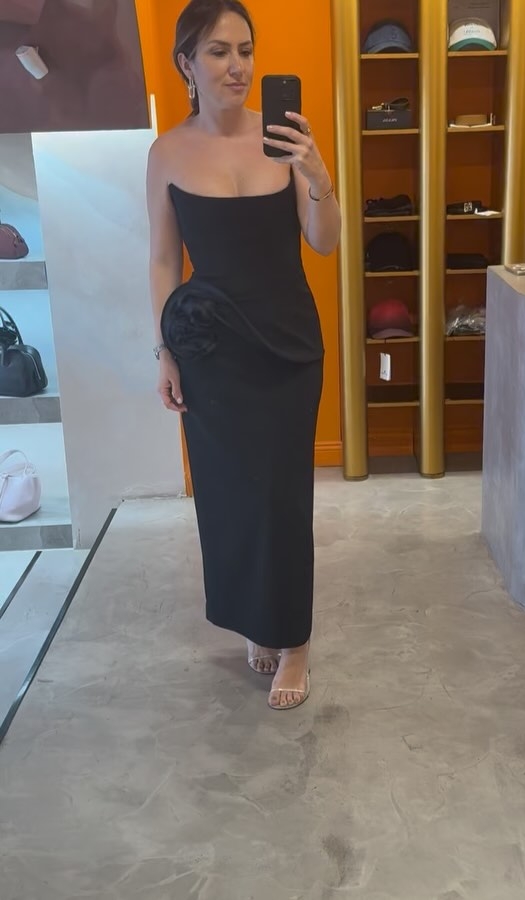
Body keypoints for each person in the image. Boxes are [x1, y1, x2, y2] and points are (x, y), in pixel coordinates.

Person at [145, 0, 341, 710]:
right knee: (232, 495)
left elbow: (325, 241)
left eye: (246, 50)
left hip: (287, 345)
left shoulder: (283, 139)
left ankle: (295, 643)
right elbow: (163, 260)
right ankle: (259, 620)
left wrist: (316, 173)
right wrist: (165, 351)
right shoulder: (167, 152)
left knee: (282, 497)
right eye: (220, 51)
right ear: (187, 64)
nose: (238, 66)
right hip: (209, 349)